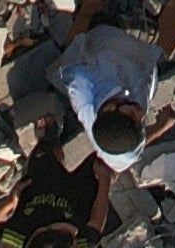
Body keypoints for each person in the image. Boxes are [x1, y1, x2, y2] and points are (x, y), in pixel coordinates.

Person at [50, 9, 166, 168]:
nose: (140, 114)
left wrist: (87, 11)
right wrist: (162, 126)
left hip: (107, 38)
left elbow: (72, 48)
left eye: (132, 114)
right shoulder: (123, 147)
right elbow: (125, 160)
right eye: (141, 123)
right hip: (144, 63)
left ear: (110, 108)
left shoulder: (83, 84)